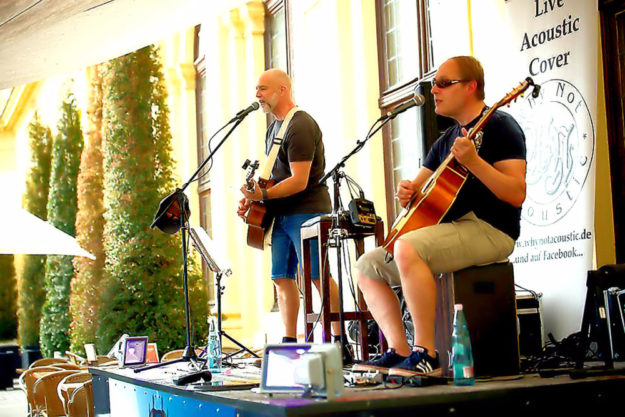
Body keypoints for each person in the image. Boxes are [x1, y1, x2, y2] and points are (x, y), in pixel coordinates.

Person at [353, 56, 527, 377]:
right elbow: (418, 192)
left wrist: (475, 162)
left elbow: (515, 193)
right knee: (368, 266)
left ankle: (425, 353)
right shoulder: (445, 140)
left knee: (407, 247)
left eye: (444, 83)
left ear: (471, 87)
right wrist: (406, 192)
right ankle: (399, 350)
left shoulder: (502, 127)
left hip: (492, 230)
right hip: (451, 230)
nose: (434, 89)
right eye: (435, 83)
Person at [238, 69, 346, 351]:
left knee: (317, 276)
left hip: (307, 211)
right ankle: (288, 342)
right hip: (281, 215)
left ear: (282, 90)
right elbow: (275, 177)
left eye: (262, 89)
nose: (257, 95)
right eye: (257, 90)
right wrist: (254, 200)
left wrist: (264, 193)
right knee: (281, 278)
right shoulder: (273, 129)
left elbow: (299, 180)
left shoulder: (301, 124)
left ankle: (338, 341)